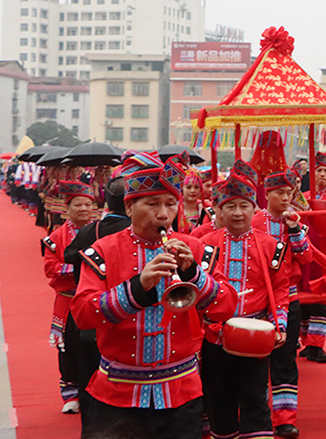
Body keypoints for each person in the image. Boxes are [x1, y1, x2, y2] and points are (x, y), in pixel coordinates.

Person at [70, 153, 238, 439]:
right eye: (152, 204)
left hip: (180, 393)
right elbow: (84, 315)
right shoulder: (103, 251)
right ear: (130, 206)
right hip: (115, 394)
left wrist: (194, 274)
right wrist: (138, 287)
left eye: (170, 204)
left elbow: (227, 307)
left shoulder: (195, 249)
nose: (163, 214)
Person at [198, 160, 291, 439]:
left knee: (255, 395)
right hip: (214, 333)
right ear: (219, 210)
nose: (238, 213)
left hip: (255, 334)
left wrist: (280, 325)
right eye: (230, 207)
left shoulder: (271, 246)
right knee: (219, 395)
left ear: (254, 209)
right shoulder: (205, 244)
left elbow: (281, 290)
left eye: (244, 206)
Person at [252, 168, 316, 439]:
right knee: (256, 360)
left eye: (289, 192)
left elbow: (306, 258)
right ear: (267, 194)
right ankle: (257, 415)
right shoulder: (254, 221)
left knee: (285, 359)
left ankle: (285, 418)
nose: (286, 197)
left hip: (288, 299)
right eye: (280, 192)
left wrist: (295, 230)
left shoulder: (296, 223)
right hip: (257, 301)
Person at [65, 175, 131, 437]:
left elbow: (71, 256)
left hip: (90, 318)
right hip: (126, 322)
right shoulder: (139, 234)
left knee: (90, 380)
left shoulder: (89, 231)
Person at [42, 180, 96, 414]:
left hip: (94, 299)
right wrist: (80, 269)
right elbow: (51, 269)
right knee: (68, 347)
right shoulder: (56, 237)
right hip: (67, 300)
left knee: (94, 345)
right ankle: (70, 394)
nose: (83, 209)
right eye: (78, 205)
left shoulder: (100, 232)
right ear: (68, 208)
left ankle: (93, 391)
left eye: (87, 204)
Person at [299, 152, 326, 364]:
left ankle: (317, 345)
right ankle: (307, 342)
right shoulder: (302, 196)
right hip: (304, 251)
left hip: (324, 253)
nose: (322, 175)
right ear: (312, 174)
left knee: (320, 300)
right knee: (304, 299)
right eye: (319, 171)